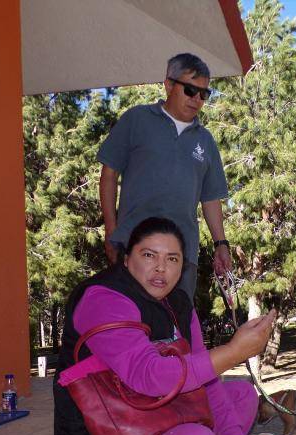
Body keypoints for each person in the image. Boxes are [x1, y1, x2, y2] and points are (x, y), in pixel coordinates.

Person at [53, 217, 278, 435]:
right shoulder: (103, 298)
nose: (161, 269)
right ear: (126, 257)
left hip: (154, 416)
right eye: (149, 256)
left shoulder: (178, 303)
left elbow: (208, 383)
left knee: (240, 394)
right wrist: (234, 351)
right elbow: (149, 375)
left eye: (172, 259)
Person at [97, 53, 231, 301]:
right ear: (169, 84)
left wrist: (221, 244)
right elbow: (108, 174)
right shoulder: (136, 119)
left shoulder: (206, 140)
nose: (197, 99)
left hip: (182, 256)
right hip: (133, 247)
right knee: (133, 322)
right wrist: (111, 230)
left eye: (204, 94)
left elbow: (211, 199)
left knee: (177, 329)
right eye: (190, 90)